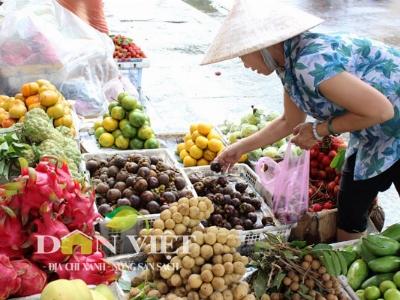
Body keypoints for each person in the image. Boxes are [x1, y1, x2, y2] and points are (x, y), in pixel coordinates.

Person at [201, 0, 400, 241]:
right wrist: (239, 149)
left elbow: (381, 110)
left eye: (242, 56)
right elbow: (288, 121)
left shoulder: (309, 62)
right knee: (350, 208)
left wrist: (320, 130)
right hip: (375, 134)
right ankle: (345, 272)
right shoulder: (289, 64)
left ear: (263, 46)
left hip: (390, 125)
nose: (244, 64)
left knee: (352, 205)